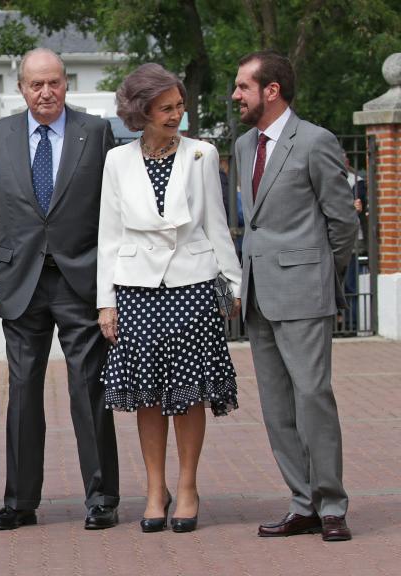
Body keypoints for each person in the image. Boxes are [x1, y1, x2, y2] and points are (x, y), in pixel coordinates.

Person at [0, 47, 120, 531]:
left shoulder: (95, 132)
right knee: (22, 392)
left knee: (88, 389)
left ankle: (101, 498)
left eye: (54, 82)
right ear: (21, 88)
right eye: (36, 84)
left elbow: (112, 211)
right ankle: (19, 501)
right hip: (19, 283)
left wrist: (110, 285)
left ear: (67, 83)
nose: (46, 92)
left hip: (81, 279)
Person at [97, 63, 243, 534]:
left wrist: (233, 284)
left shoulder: (202, 153)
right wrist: (106, 301)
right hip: (136, 290)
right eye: (166, 108)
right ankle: (155, 489)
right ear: (141, 112)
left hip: (193, 284)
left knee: (190, 392)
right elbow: (109, 235)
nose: (176, 115)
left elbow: (216, 224)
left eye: (180, 106)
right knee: (148, 396)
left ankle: (187, 487)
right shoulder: (117, 160)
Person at [232, 50, 358, 541]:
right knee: (277, 407)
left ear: (272, 90)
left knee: (312, 398)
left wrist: (322, 274)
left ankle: (332, 506)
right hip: (259, 295)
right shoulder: (244, 146)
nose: (236, 94)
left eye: (243, 86)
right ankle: (302, 501)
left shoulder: (315, 141)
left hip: (305, 292)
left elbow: (343, 222)